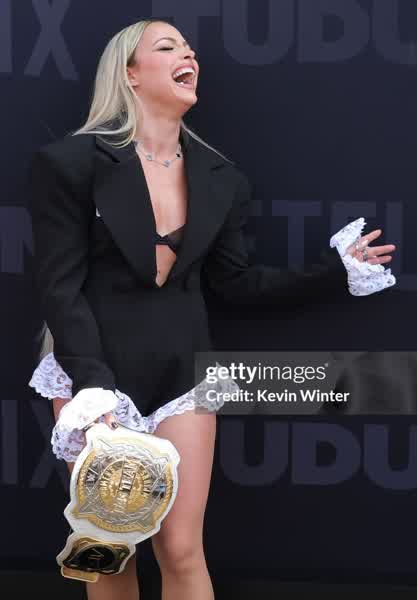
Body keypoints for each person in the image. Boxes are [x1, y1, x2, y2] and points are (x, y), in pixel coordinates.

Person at [27, 18, 397, 600]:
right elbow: (59, 287)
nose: (189, 55)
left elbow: (235, 284)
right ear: (130, 73)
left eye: (190, 49)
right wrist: (92, 389)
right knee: (110, 549)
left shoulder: (222, 178)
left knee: (181, 550)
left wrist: (336, 271)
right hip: (91, 369)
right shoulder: (71, 163)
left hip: (185, 374)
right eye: (168, 46)